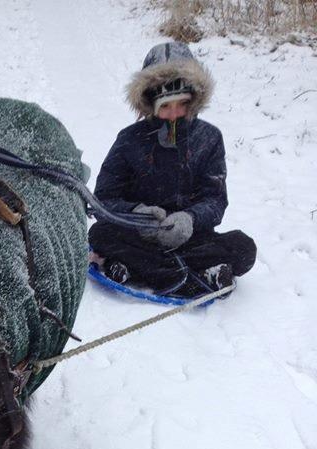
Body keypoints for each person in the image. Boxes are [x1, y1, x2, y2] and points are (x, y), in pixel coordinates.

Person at [89, 42, 256, 297]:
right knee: (100, 234)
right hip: (138, 235)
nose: (174, 113)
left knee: (243, 248)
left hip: (191, 238)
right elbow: (104, 199)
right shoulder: (129, 139)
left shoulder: (209, 138)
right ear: (151, 104)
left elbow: (215, 200)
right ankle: (190, 277)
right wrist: (137, 215)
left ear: (194, 101)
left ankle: (137, 268)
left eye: (182, 104)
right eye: (166, 106)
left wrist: (190, 219)